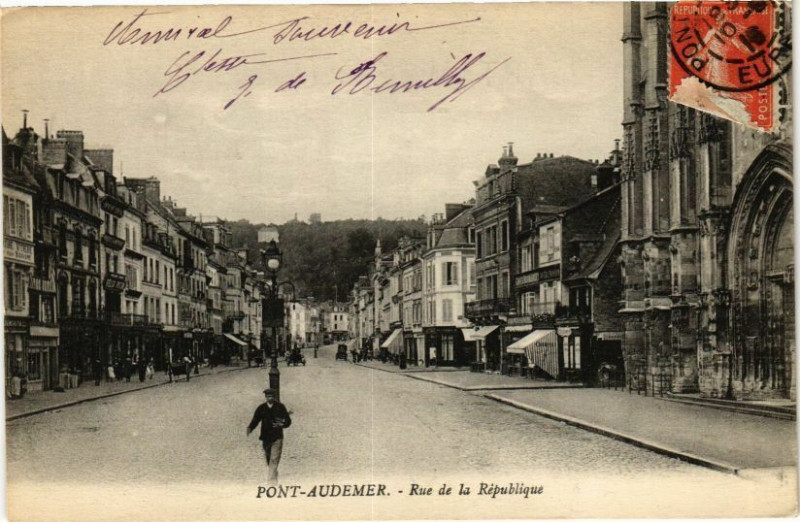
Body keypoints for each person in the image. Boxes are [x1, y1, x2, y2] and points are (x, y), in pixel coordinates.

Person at [247, 388, 291, 483]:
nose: (270, 398)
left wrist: (281, 424)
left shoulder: (280, 407)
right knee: (268, 460)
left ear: (274, 397)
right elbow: (256, 419)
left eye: (271, 396)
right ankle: (274, 473)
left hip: (277, 437)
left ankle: (271, 483)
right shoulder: (261, 408)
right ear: (265, 397)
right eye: (268, 396)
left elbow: (288, 421)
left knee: (274, 459)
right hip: (265, 438)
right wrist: (250, 428)